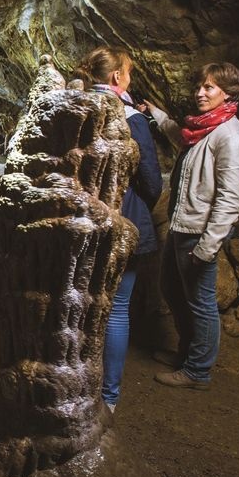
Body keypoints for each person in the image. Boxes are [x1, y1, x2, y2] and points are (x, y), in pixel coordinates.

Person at [145, 62, 239, 389]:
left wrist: (207, 246)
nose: (200, 93)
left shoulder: (230, 137)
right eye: (200, 86)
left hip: (198, 234)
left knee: (201, 303)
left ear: (227, 93)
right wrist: (156, 114)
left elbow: (230, 201)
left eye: (209, 88)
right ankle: (187, 353)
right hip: (181, 225)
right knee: (172, 290)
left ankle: (198, 371)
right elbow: (180, 136)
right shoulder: (202, 128)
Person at [74, 46, 162, 412]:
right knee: (117, 308)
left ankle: (73, 385)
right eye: (127, 73)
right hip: (121, 220)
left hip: (79, 222)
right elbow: (152, 182)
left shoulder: (73, 108)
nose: (129, 79)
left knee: (78, 303)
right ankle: (107, 398)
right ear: (116, 78)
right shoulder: (131, 119)